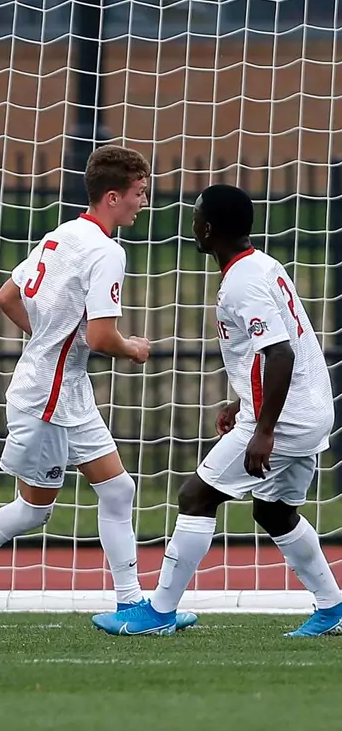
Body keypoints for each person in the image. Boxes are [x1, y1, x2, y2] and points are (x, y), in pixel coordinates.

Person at [0, 146, 196, 631]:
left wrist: (50, 339)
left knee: (119, 489)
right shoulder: (107, 251)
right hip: (45, 399)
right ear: (112, 196)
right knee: (32, 510)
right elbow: (103, 336)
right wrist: (134, 349)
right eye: (139, 193)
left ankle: (132, 607)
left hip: (66, 391)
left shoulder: (62, 234)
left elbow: (6, 296)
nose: (143, 202)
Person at [94, 184, 342, 637]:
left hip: (285, 419)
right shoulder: (263, 265)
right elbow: (272, 350)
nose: (191, 223)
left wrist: (263, 428)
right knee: (273, 512)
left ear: (208, 229)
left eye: (195, 217)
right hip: (311, 408)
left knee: (196, 495)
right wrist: (243, 401)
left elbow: (282, 353)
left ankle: (159, 612)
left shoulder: (243, 283)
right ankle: (333, 609)